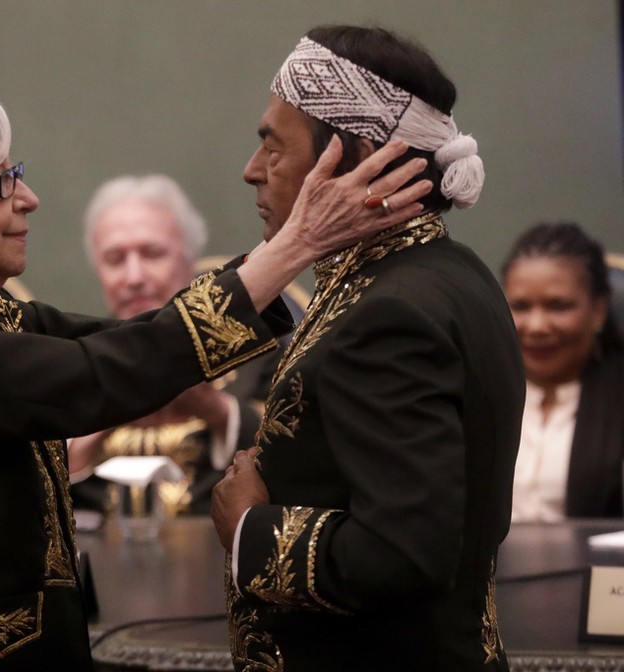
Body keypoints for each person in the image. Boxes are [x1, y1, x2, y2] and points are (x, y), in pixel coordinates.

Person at [0, 79, 428, 671]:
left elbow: (128, 343)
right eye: (0, 182)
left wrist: (290, 247)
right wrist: (298, 243)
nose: (28, 198)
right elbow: (99, 375)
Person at [210, 25, 524, 671]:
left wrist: (249, 531)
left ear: (355, 155)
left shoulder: (388, 313)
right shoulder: (451, 272)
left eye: (273, 145)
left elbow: (405, 554)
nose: (252, 171)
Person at [69, 174, 282, 515]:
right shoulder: (78, 358)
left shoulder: (258, 351)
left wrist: (213, 408)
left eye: (152, 254)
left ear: (189, 262)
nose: (134, 277)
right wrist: (110, 405)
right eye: (115, 259)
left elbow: (288, 464)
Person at [502, 221, 624, 520]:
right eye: (520, 306)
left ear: (598, 311)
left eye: (558, 306)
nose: (537, 326)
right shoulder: (475, 393)